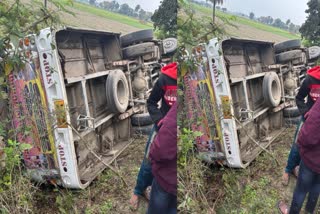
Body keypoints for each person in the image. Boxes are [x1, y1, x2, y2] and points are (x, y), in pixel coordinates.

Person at [129, 62, 177, 210]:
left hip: (176, 130)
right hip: (162, 126)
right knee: (150, 158)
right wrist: (160, 121)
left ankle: (155, 188)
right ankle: (138, 191)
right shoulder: (164, 79)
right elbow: (151, 103)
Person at [278, 97, 320, 214]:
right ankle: (309, 211)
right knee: (317, 186)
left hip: (312, 159)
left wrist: (300, 144)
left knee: (301, 190)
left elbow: (308, 136)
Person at [282, 65, 320, 185]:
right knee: (298, 143)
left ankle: (302, 169)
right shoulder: (310, 79)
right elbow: (299, 98)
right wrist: (306, 112)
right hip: (308, 118)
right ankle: (288, 169)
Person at [147, 101, 177, 214]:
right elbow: (151, 103)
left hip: (166, 178)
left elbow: (161, 149)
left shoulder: (185, 101)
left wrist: (152, 156)